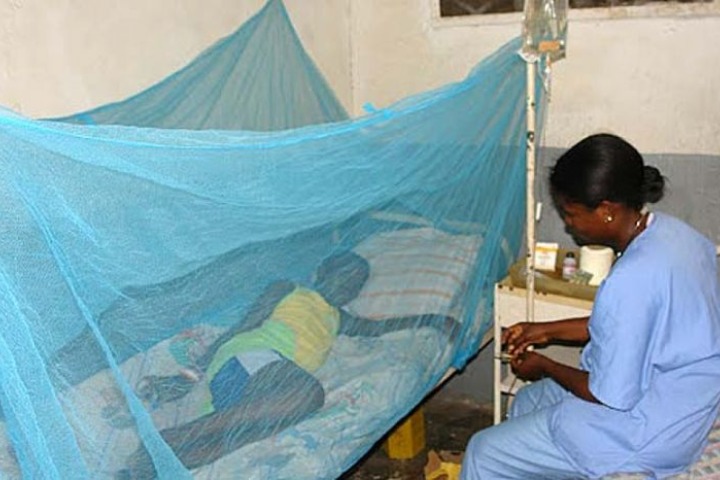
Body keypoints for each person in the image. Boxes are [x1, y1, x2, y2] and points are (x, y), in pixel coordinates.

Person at [461, 133, 720, 479]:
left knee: (485, 451)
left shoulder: (630, 280)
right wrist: (545, 330)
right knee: (527, 401)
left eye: (571, 214)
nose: (568, 223)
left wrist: (545, 365)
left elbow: (608, 395)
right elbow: (632, 323)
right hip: (689, 404)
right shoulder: (679, 236)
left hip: (647, 429)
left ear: (607, 211)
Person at [116, 250, 456, 478]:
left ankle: (146, 468)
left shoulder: (338, 318)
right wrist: (188, 376)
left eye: (356, 283)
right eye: (343, 275)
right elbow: (241, 327)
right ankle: (167, 438)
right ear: (320, 272)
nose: (348, 286)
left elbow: (378, 328)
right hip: (248, 359)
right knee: (309, 394)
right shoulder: (289, 290)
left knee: (241, 436)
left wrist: (433, 318)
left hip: (261, 391)